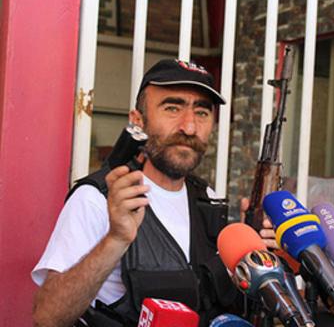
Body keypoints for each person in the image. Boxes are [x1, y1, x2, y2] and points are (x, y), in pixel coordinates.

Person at [31, 59, 275, 326]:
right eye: (172, 108)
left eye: (202, 113)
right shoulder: (97, 198)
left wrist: (251, 254)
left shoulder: (207, 197)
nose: (189, 127)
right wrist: (115, 239)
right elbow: (47, 317)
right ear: (138, 120)